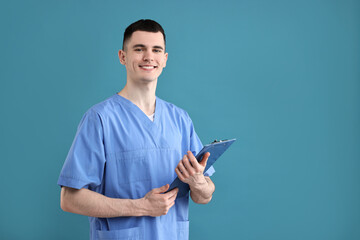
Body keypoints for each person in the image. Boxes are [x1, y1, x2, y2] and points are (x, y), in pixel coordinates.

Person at [58, 19, 215, 240]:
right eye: (139, 49)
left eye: (156, 50)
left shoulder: (180, 119)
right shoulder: (100, 119)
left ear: (165, 59)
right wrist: (141, 206)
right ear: (123, 56)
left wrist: (199, 183)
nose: (149, 57)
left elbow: (204, 196)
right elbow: (69, 199)